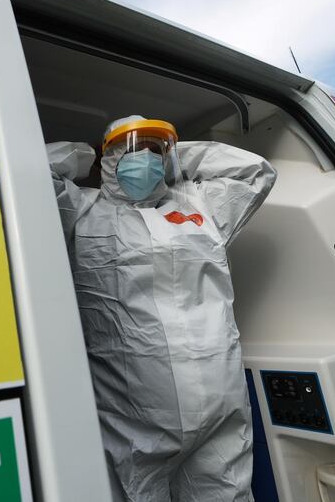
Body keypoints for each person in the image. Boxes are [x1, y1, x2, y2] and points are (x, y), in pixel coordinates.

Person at [46, 115, 276, 501]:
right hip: (134, 421)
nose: (147, 159)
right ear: (110, 157)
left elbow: (256, 173)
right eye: (135, 149)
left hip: (220, 409)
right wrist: (82, 154)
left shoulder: (199, 207)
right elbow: (26, 175)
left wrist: (176, 157)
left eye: (156, 152)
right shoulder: (81, 211)